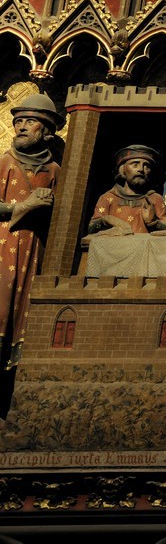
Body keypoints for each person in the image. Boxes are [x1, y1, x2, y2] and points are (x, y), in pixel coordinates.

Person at [0, 95, 61, 397]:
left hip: (35, 249)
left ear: (46, 131)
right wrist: (21, 207)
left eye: (29, 122)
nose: (21, 128)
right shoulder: (5, 164)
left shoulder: (53, 171)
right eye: (18, 122)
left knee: (25, 311)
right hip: (3, 244)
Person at [88, 144, 166, 235]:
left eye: (146, 166)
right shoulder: (107, 198)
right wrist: (105, 220)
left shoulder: (155, 199)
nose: (141, 170)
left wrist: (154, 222)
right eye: (135, 165)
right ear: (123, 170)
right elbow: (91, 228)